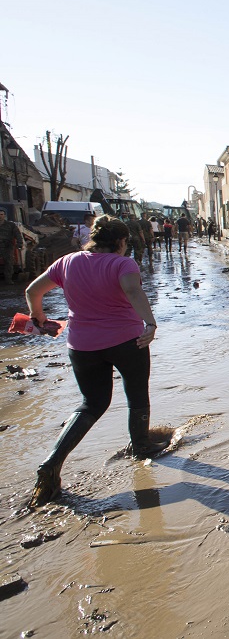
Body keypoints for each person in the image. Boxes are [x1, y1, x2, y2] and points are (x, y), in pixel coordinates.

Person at [25, 216, 167, 508]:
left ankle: (52, 461)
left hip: (82, 346)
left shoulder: (67, 262)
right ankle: (141, 446)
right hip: (127, 341)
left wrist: (38, 317)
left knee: (92, 402)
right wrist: (150, 324)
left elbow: (32, 292)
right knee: (136, 392)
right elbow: (132, 290)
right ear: (121, 241)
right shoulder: (122, 263)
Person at [0, 208, 25, 284]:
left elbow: (18, 234)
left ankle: (8, 279)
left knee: (9, 262)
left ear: (4, 216)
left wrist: (20, 243)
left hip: (7, 246)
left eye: (1, 214)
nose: (0, 216)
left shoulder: (10, 225)